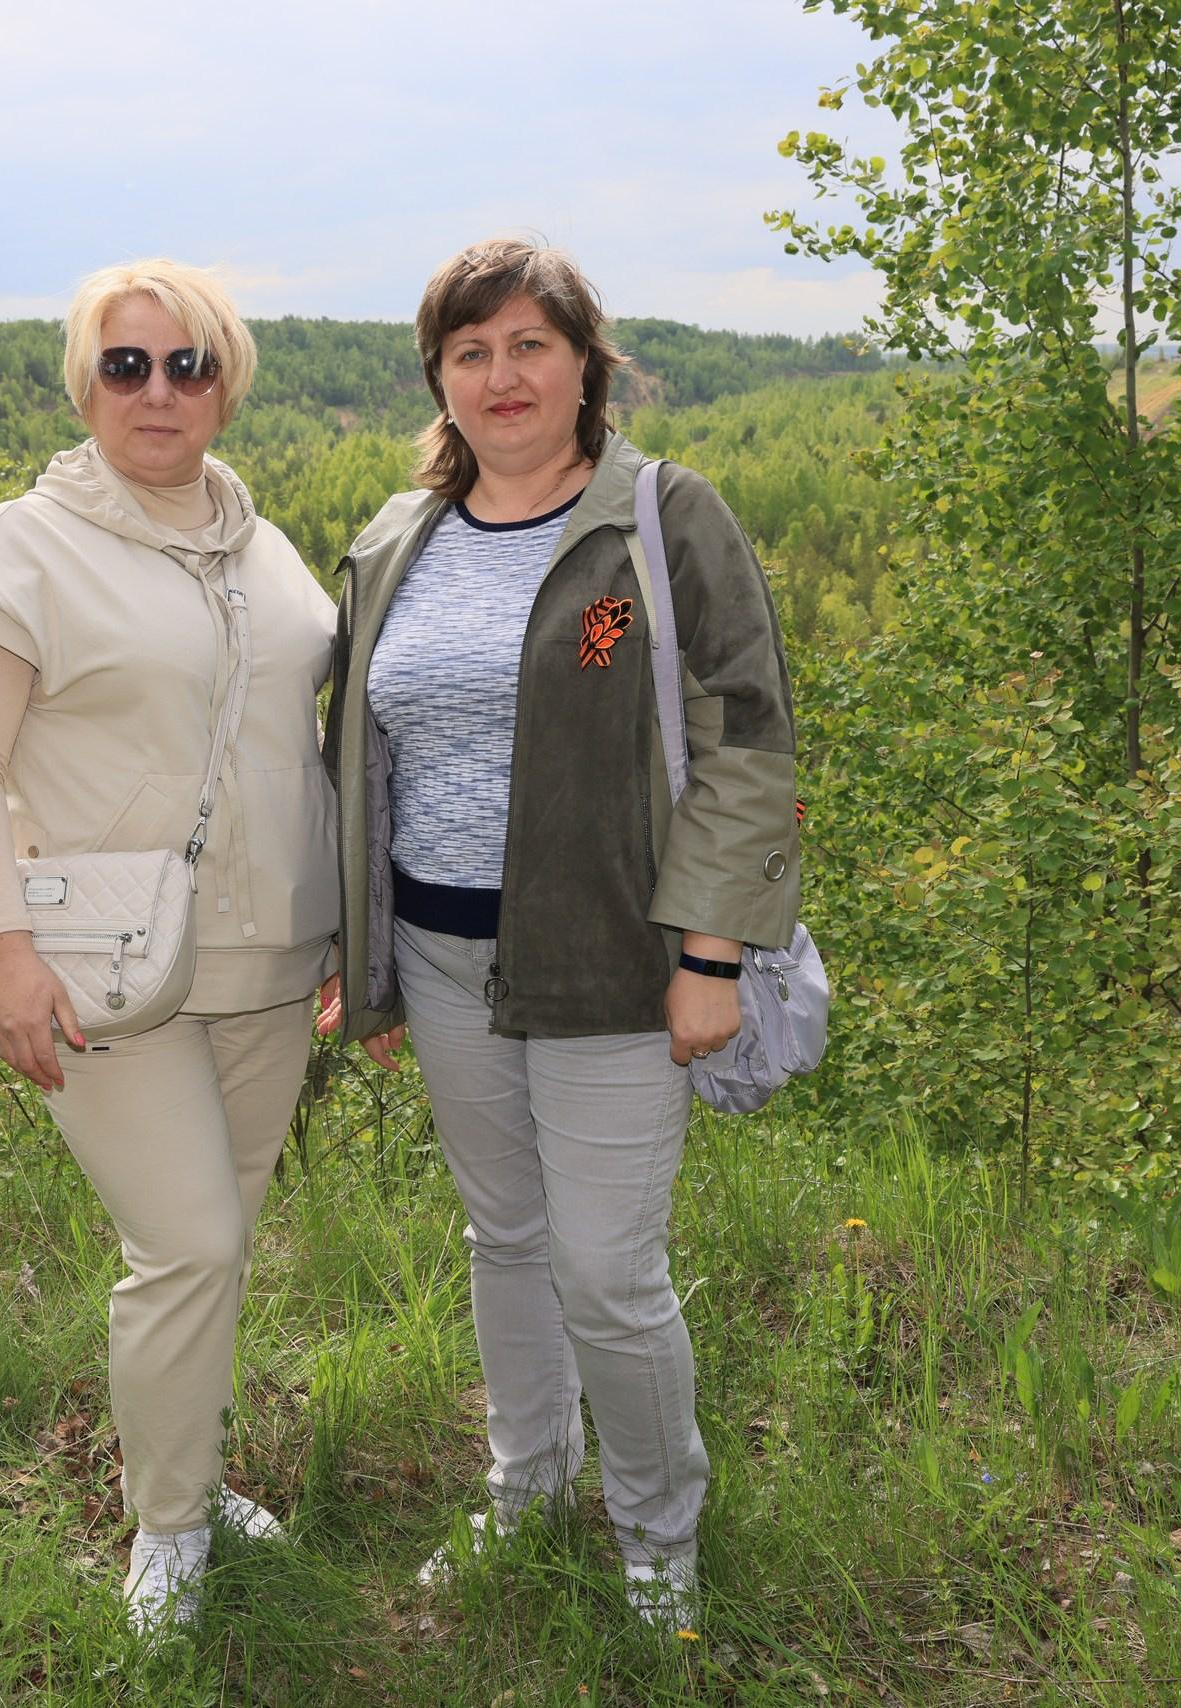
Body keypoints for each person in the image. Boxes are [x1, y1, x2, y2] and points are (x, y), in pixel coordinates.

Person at [318, 238, 801, 1630]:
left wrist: (710, 950)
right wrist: (366, 950)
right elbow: (357, 757)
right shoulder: (395, 541)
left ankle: (659, 1535)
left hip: (614, 963)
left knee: (607, 1269)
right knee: (505, 1239)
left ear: (588, 362)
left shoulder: (657, 518)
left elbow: (748, 742)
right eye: (470, 352)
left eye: (530, 344)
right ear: (440, 381)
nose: (501, 374)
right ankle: (527, 1485)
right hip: (449, 959)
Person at [0, 259, 339, 1635]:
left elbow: (300, 748)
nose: (159, 392)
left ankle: (193, 1479)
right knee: (190, 1243)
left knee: (217, 1251)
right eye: (127, 365)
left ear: (228, 384)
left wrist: (339, 929)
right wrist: (1, 955)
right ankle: (166, 1532)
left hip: (272, 959)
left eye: (189, 365)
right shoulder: (19, 551)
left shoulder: (258, 545)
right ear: (84, 383)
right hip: (104, 973)